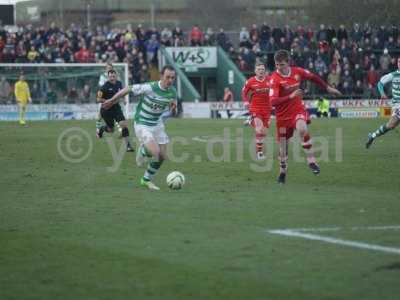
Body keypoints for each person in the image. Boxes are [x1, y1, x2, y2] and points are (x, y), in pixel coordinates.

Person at [269, 50, 341, 184]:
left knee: (302, 128)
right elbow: (272, 102)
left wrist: (327, 88)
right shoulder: (274, 79)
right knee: (283, 149)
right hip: (282, 117)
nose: (279, 67)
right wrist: (290, 96)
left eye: (282, 64)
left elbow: (313, 77)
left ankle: (311, 160)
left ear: (288, 62)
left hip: (297, 110)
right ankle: (283, 172)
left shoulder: (297, 72)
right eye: (277, 64)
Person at [105, 65, 177, 190]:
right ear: (161, 76)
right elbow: (128, 89)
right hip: (142, 123)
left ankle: (146, 179)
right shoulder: (150, 87)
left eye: (172, 78)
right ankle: (143, 150)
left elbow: (172, 107)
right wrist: (111, 100)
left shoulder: (172, 91)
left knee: (162, 156)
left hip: (157, 124)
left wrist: (173, 108)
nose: (170, 80)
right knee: (155, 152)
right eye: (167, 77)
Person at [366, 57, 400, 149]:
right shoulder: (393, 75)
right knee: (392, 124)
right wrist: (382, 93)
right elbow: (380, 83)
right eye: (399, 62)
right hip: (397, 104)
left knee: (391, 125)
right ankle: (372, 136)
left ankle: (372, 136)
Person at [96, 69, 134, 152]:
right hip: (106, 110)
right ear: (108, 77)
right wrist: (106, 101)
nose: (112, 78)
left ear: (116, 76)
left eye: (113, 76)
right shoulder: (104, 87)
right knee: (111, 130)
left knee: (124, 125)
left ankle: (128, 146)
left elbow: (122, 92)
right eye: (110, 77)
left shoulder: (119, 83)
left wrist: (123, 99)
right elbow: (98, 99)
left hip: (116, 108)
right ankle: (102, 129)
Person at [241, 62, 271, 160]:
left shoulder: (270, 80)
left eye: (262, 69)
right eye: (259, 69)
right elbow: (244, 92)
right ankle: (259, 153)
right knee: (259, 129)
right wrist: (246, 102)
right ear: (255, 71)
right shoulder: (250, 81)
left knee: (264, 133)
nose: (261, 71)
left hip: (267, 109)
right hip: (255, 108)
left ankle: (250, 121)